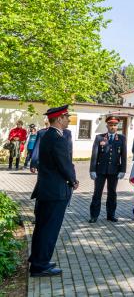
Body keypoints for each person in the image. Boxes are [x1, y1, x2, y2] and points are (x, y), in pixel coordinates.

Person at [29, 105, 78, 277]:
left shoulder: (48, 135)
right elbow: (64, 164)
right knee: (49, 229)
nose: (68, 119)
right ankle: (40, 266)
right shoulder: (58, 138)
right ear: (59, 119)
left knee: (42, 227)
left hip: (47, 190)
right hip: (55, 192)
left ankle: (37, 259)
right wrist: (73, 180)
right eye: (66, 116)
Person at [89, 116, 127, 223]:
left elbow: (123, 156)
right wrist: (92, 170)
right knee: (97, 193)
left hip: (114, 171)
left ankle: (111, 215)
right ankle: (94, 215)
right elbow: (94, 155)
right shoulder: (99, 138)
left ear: (117, 127)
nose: (113, 127)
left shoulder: (121, 138)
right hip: (100, 170)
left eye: (115, 125)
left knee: (112, 193)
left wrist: (122, 170)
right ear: (107, 126)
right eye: (111, 125)